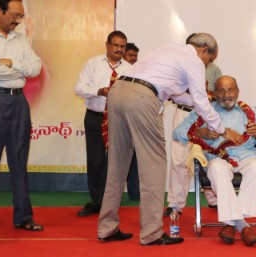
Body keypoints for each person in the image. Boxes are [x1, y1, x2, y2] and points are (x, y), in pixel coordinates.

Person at [97, 33, 241, 245]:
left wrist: (199, 101)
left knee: (117, 164)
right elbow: (201, 103)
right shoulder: (194, 60)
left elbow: (176, 94)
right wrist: (222, 130)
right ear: (204, 51)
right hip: (142, 98)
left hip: (118, 92)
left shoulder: (167, 49)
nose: (207, 64)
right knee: (154, 166)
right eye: (209, 60)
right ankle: (151, 233)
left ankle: (106, 228)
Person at [174, 75, 256, 246]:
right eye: (221, 90)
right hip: (217, 157)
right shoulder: (203, 112)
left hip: (246, 156)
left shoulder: (251, 112)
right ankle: (243, 226)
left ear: (237, 91)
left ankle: (230, 224)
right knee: (217, 169)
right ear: (214, 93)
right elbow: (177, 133)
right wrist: (200, 133)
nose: (226, 95)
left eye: (230, 90)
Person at [0, 0, 43, 231]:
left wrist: (12, 62)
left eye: (21, 16)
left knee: (19, 161)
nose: (18, 20)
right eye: (14, 15)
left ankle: (24, 217)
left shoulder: (21, 39)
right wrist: (18, 66)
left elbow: (35, 68)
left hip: (19, 101)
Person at [74, 30, 132, 216]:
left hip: (118, 119)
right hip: (95, 116)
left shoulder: (130, 69)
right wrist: (99, 91)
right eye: (115, 45)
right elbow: (79, 88)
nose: (119, 49)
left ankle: (112, 202)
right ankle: (97, 202)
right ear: (107, 45)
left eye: (122, 46)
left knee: (117, 162)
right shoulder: (93, 63)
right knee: (96, 160)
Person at [164, 33, 222, 216]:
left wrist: (205, 91)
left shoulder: (213, 68)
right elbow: (173, 90)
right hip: (183, 113)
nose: (206, 60)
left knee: (209, 157)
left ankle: (215, 200)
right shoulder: (179, 65)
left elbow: (220, 93)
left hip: (204, 115)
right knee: (179, 159)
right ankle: (175, 205)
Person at [122, 42, 140, 201]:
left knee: (135, 156)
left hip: (134, 117)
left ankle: (135, 193)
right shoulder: (118, 73)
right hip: (115, 119)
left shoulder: (140, 72)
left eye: (135, 56)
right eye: (131, 56)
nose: (134, 59)